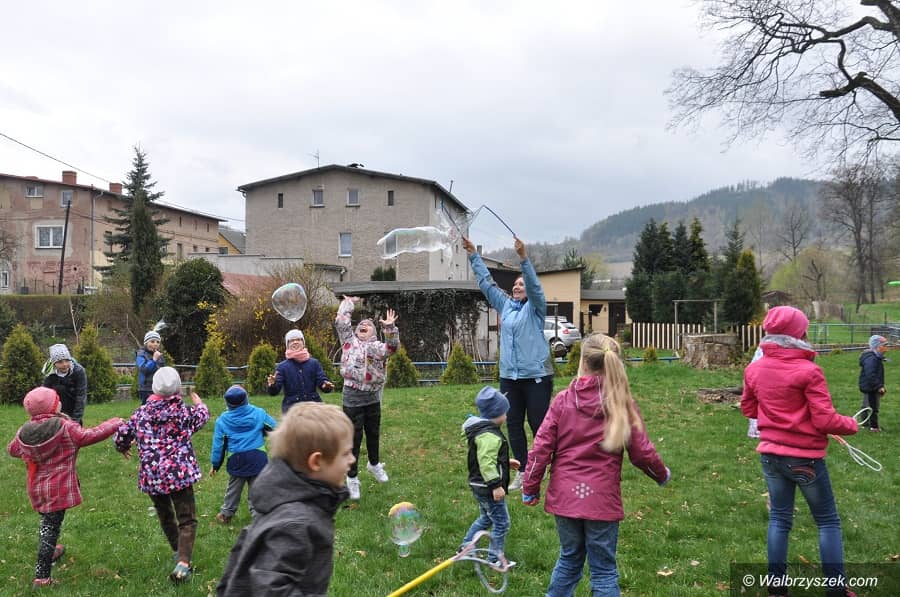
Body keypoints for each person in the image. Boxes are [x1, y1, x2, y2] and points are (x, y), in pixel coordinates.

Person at [521, 333, 670, 596]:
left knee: (569, 558)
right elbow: (642, 453)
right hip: (602, 500)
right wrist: (661, 474)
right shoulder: (622, 404)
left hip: (566, 498)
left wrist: (530, 488)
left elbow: (540, 449)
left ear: (582, 362)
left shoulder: (563, 401)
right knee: (603, 570)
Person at [742, 306, 859, 597]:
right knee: (827, 521)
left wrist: (778, 414)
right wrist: (851, 424)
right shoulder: (809, 371)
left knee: (779, 519)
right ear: (798, 334)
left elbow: (749, 408)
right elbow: (825, 420)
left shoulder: (754, 369)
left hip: (771, 457)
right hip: (805, 459)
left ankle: (776, 588)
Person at [216, 402, 355, 596]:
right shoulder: (295, 523)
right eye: (346, 453)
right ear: (316, 461)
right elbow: (271, 589)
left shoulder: (284, 499)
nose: (352, 459)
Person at [7, 387, 123, 589]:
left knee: (49, 522)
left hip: (38, 488)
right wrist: (114, 423)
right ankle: (42, 577)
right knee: (50, 528)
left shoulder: (25, 431)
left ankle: (50, 551)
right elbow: (89, 435)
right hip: (58, 489)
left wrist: (32, 452)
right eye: (57, 400)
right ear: (53, 406)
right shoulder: (65, 427)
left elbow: (13, 449)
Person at [463, 235, 552, 491]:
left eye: (521, 284)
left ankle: (544, 467)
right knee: (513, 425)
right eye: (515, 284)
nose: (517, 287)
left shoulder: (536, 308)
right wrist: (473, 255)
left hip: (536, 376)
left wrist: (523, 258)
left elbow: (535, 287)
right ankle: (523, 472)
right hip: (509, 378)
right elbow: (487, 284)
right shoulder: (506, 306)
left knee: (538, 425)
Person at [114, 367, 210, 584]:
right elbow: (201, 417)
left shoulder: (141, 413)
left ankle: (177, 551)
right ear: (178, 388)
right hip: (180, 475)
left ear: (154, 388)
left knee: (165, 514)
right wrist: (200, 404)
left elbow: (122, 434)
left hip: (153, 475)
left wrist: (122, 447)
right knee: (187, 518)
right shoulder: (184, 413)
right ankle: (183, 561)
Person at [335, 296, 400, 500]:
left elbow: (392, 348)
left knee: (373, 434)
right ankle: (352, 478)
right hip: (352, 397)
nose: (364, 325)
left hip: (372, 397)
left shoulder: (378, 347)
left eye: (369, 325)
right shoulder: (348, 342)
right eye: (361, 324)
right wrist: (348, 304)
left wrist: (390, 328)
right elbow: (341, 322)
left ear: (374, 333)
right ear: (356, 331)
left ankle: (374, 464)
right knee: (353, 439)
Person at [459, 386, 519, 569]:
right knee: (502, 522)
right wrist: (495, 485)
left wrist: (505, 462)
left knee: (486, 518)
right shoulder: (489, 435)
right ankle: (495, 558)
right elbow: (486, 462)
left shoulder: (481, 430)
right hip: (488, 487)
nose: (506, 416)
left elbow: (484, 456)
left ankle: (466, 547)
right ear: (496, 414)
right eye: (504, 413)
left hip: (478, 484)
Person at [210, 385, 278, 523]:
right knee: (256, 487)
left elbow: (219, 446)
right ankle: (258, 515)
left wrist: (215, 464)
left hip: (237, 459)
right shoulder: (259, 413)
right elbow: (275, 428)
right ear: (246, 398)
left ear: (227, 403)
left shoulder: (222, 421)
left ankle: (226, 514)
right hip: (258, 458)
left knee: (234, 488)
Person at [266, 329, 334, 414]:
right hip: (291, 409)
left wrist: (326, 386)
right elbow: (274, 392)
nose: (295, 342)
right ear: (287, 345)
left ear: (303, 343)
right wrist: (272, 385)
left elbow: (322, 381)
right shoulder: (282, 367)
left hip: (314, 407)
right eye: (291, 340)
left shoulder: (314, 363)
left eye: (298, 339)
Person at [42, 344, 87, 425]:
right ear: (54, 363)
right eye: (60, 362)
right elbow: (45, 395)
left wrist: (75, 421)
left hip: (73, 404)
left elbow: (81, 396)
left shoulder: (79, 371)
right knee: (59, 388)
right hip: (56, 408)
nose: (65, 364)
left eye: (67, 360)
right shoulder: (49, 373)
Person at [859, 334, 887, 432]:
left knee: (867, 405)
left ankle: (865, 424)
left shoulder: (875, 357)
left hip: (870, 386)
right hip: (871, 387)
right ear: (877, 347)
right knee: (873, 407)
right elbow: (870, 374)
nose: (886, 348)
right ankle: (873, 427)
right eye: (884, 345)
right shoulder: (872, 359)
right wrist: (879, 386)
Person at [136, 330, 166, 405]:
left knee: (158, 407)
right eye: (152, 341)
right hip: (146, 388)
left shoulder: (159, 355)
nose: (155, 344)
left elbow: (163, 370)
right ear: (146, 343)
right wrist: (153, 360)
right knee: (147, 407)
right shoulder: (141, 354)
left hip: (158, 386)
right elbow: (143, 369)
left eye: (157, 342)